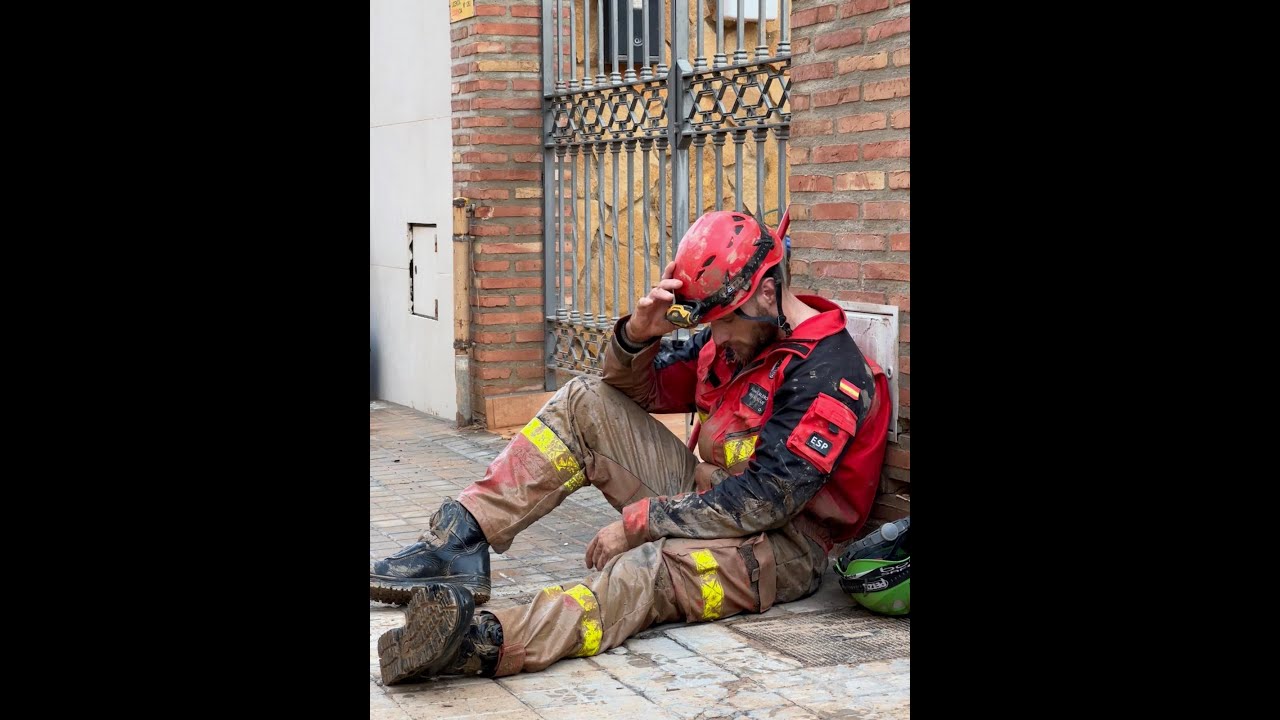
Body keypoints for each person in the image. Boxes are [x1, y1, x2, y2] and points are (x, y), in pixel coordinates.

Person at [372, 210, 891, 684]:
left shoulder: (827, 371)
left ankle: (478, 641)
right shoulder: (738, 338)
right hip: (708, 497)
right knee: (583, 400)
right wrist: (638, 336)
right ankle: (458, 542)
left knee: (648, 570)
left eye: (723, 320)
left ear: (766, 294)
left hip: (785, 545)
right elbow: (630, 394)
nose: (716, 336)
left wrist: (639, 524)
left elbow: (766, 500)